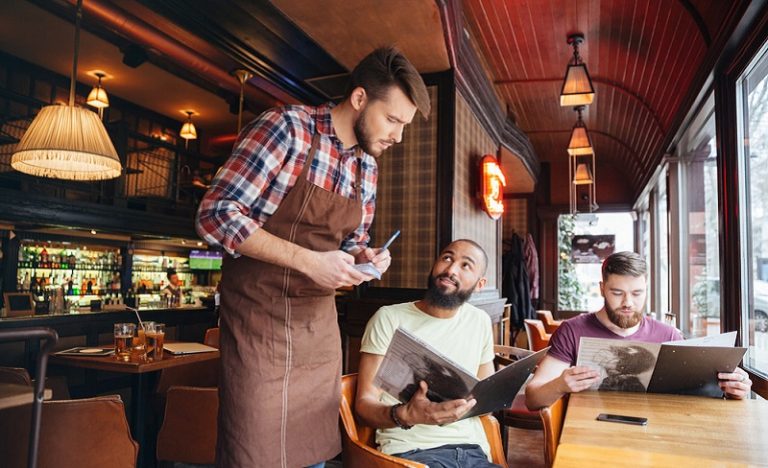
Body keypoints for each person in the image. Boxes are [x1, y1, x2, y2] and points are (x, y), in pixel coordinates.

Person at [195, 46, 430, 468]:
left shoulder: (367, 168)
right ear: (359, 98)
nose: (398, 136)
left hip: (318, 335)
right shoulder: (287, 129)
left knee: (315, 458)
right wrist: (308, 260)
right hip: (257, 331)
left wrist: (365, 257)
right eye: (393, 119)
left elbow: (353, 240)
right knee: (254, 454)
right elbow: (215, 216)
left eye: (404, 125)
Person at [525, 251, 752, 409]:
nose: (627, 303)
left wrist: (734, 389)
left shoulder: (669, 335)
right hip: (591, 431)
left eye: (637, 293)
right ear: (602, 289)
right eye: (617, 293)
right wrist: (560, 384)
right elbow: (532, 398)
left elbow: (701, 396)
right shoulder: (572, 330)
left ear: (646, 289)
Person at [355, 239, 502, 468]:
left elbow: (484, 399)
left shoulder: (480, 321)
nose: (451, 269)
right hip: (411, 453)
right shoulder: (389, 318)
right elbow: (364, 405)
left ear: (479, 284)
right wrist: (405, 415)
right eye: (447, 258)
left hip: (472, 451)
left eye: (465, 266)